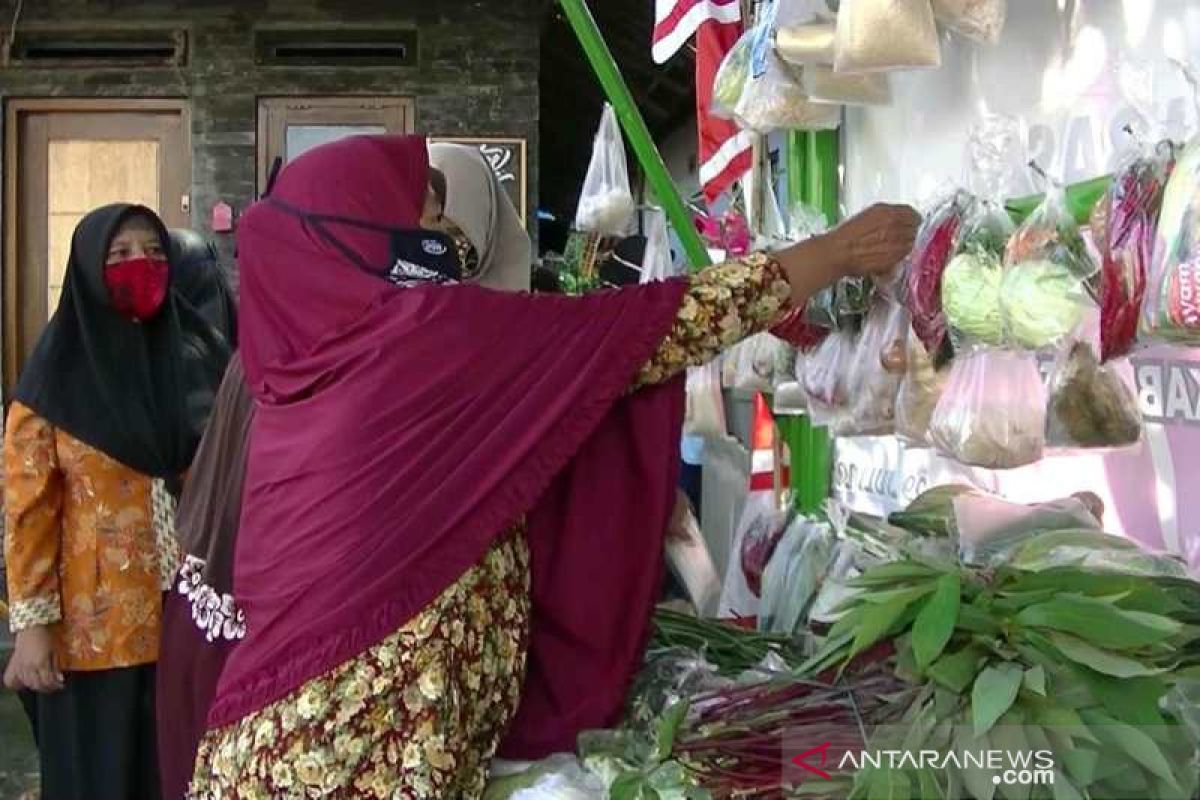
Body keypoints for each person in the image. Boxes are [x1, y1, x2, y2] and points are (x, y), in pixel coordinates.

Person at [181, 135, 917, 799]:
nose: (447, 241)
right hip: (349, 755)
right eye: (430, 219)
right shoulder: (416, 341)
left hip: (274, 745)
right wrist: (835, 254)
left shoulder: (305, 367)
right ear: (360, 231)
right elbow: (656, 329)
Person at [2, 206, 233, 800]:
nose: (143, 266)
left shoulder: (201, 355)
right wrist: (32, 628)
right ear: (86, 269)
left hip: (191, 623)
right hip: (90, 637)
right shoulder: (54, 379)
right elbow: (27, 510)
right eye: (120, 254)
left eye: (155, 252)